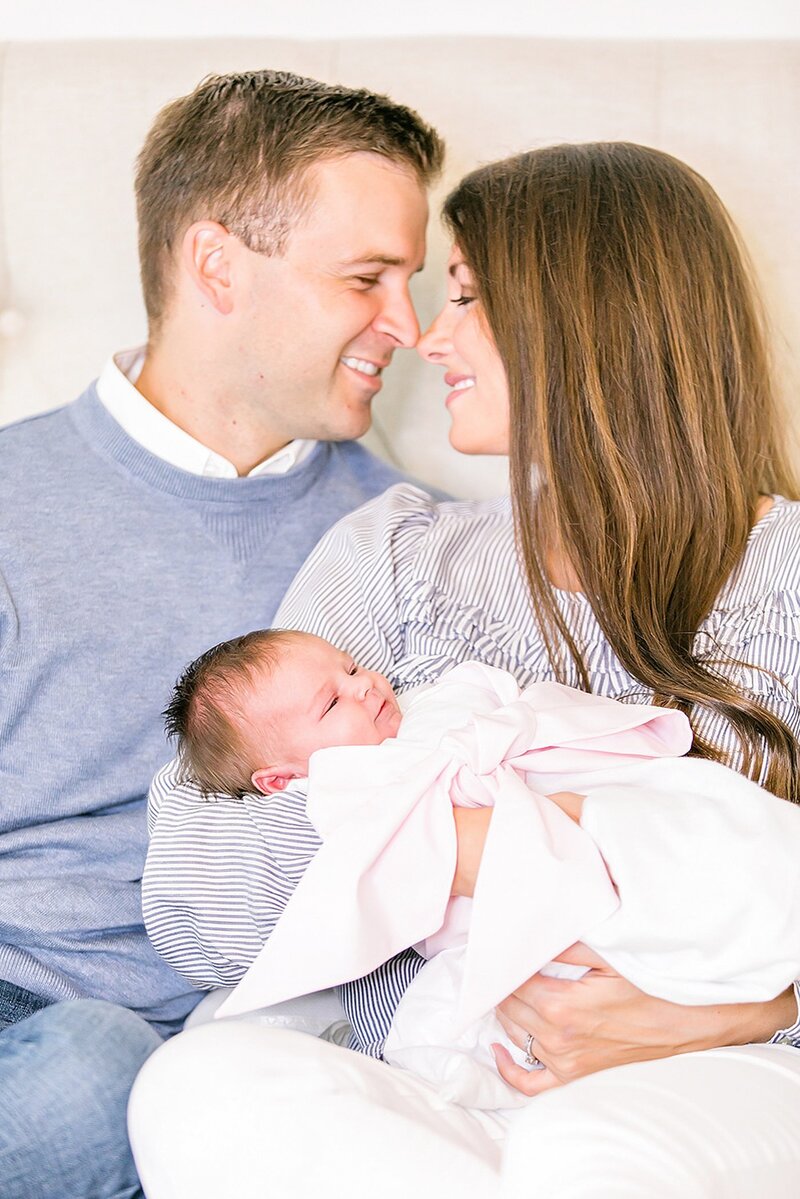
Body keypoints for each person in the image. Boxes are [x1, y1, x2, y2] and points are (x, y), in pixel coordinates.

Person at [129, 142, 800, 1198]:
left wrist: (760, 1006)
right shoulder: (394, 553)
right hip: (447, 1077)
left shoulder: (786, 575)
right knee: (196, 1082)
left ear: (589, 319)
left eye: (466, 296)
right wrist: (474, 837)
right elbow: (194, 898)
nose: (422, 337)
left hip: (721, 1077)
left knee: (582, 1158)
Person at [0, 69, 444, 1199]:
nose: (408, 324)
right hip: (32, 1024)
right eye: (366, 279)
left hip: (268, 1037)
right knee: (92, 1083)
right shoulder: (13, 498)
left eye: (414, 280)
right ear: (215, 268)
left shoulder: (405, 544)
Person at [147, 628, 800, 1116]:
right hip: (500, 946)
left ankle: (757, 933)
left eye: (350, 667)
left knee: (677, 844)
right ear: (283, 780)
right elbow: (189, 888)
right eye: (331, 703)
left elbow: (496, 701)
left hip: (591, 841)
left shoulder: (432, 708)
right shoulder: (336, 789)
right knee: (433, 1035)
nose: (367, 684)